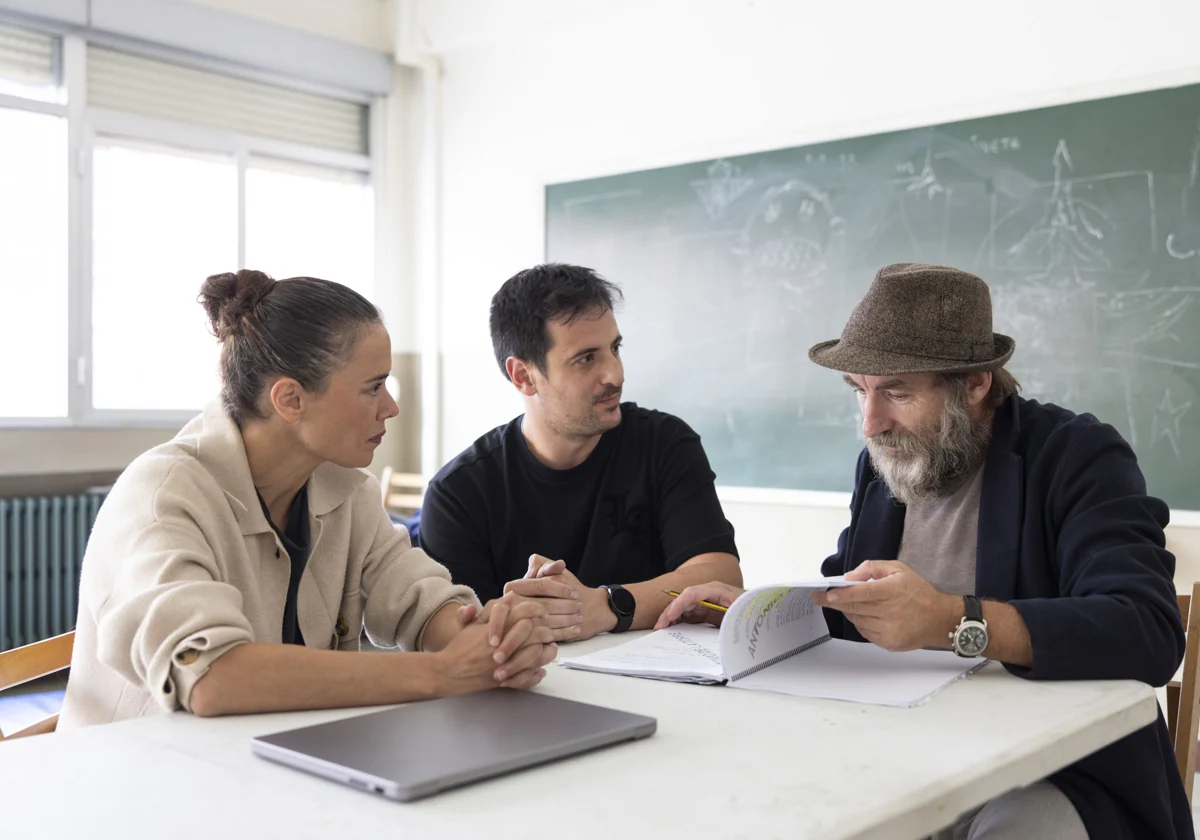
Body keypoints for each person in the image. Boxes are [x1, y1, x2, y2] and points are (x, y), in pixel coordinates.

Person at [656, 263, 1191, 840]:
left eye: (897, 392)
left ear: (975, 382)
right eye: (860, 391)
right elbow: (851, 609)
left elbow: (1147, 631)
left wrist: (953, 620)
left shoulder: (1077, 456)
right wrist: (752, 612)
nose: (870, 423)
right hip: (900, 753)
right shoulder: (886, 463)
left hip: (1051, 771)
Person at [59, 270, 556, 728]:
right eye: (373, 387)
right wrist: (440, 673)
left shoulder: (346, 488)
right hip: (142, 790)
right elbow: (211, 678)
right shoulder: (163, 495)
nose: (392, 407)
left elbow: (419, 601)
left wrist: (492, 638)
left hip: (267, 766)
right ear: (290, 399)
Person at [419, 263, 742, 643]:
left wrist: (605, 606)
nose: (615, 374)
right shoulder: (458, 494)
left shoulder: (664, 443)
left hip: (657, 695)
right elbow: (460, 636)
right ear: (523, 376)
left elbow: (720, 577)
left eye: (615, 348)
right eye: (586, 358)